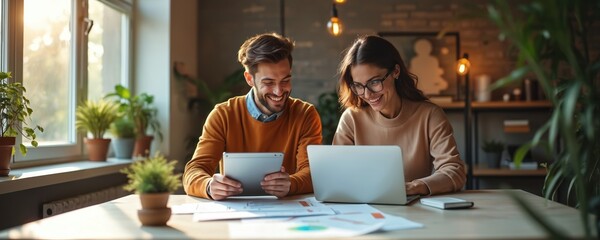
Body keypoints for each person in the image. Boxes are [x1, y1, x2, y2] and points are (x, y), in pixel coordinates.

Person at [183, 33, 322, 200]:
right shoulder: (223, 115)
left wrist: (291, 183)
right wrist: (208, 186)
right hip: (235, 213)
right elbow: (194, 170)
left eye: (285, 80)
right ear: (249, 79)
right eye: (269, 83)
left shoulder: (305, 114)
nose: (279, 91)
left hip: (289, 213)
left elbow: (311, 172)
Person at [333, 35, 466, 196]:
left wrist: (415, 187)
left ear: (395, 71)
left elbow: (454, 171)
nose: (367, 94)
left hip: (415, 209)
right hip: (365, 210)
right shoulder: (351, 119)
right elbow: (337, 174)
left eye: (374, 82)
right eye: (358, 86)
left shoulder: (429, 115)